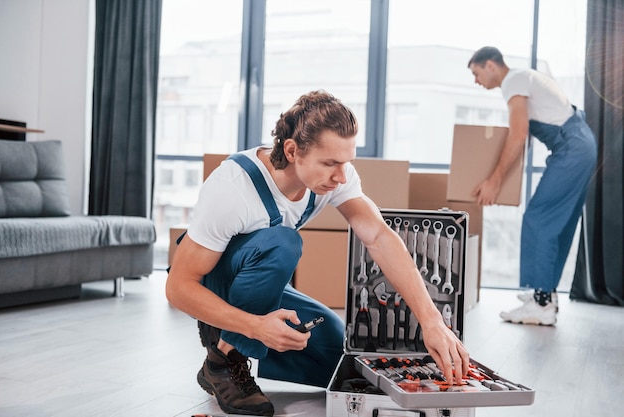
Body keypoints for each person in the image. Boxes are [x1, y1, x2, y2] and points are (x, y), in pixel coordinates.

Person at [166, 90, 469, 416]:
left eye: (347, 162)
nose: (341, 176)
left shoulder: (335, 179)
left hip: (258, 281)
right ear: (293, 150)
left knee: (340, 362)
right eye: (330, 163)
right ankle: (224, 360)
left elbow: (379, 236)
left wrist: (432, 321)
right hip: (212, 281)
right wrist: (255, 327)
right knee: (283, 244)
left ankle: (244, 339)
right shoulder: (234, 188)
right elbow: (178, 288)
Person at [467, 47, 597, 326]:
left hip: (572, 147)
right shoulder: (524, 77)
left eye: (476, 73)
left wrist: (494, 181)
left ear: (490, 65)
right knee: (557, 223)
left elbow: (518, 135)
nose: (476, 81)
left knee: (539, 218)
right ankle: (546, 293)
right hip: (579, 144)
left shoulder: (513, 81)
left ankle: (541, 303)